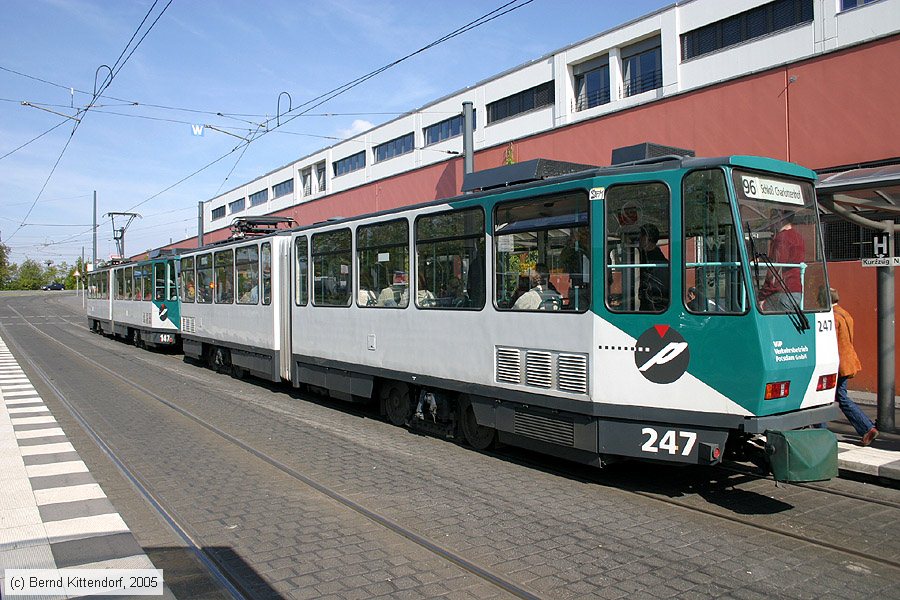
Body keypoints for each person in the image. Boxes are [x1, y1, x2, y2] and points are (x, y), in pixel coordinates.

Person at [829, 288, 879, 446]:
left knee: (832, 398)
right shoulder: (845, 313)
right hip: (849, 360)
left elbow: (831, 343)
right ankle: (867, 427)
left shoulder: (832, 318)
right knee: (840, 396)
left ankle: (866, 427)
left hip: (838, 364)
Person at [758, 212, 805, 311]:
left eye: (773, 218)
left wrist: (762, 295)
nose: (771, 222)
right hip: (797, 291)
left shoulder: (781, 238)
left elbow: (775, 269)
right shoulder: (798, 237)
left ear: (780, 218)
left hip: (781, 292)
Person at [637, 223, 669, 311]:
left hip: (654, 308)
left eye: (641, 237)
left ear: (647, 238)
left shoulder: (658, 262)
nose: (639, 240)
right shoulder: (643, 256)